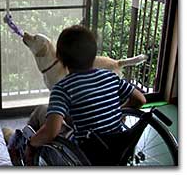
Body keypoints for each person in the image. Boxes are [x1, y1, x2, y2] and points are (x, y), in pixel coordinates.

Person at [25, 25, 146, 165]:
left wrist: (32, 144)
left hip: (83, 155)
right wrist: (120, 113)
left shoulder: (62, 88)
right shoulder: (110, 76)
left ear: (60, 58)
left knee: (41, 111)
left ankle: (21, 145)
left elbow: (51, 131)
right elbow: (140, 99)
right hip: (117, 149)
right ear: (94, 54)